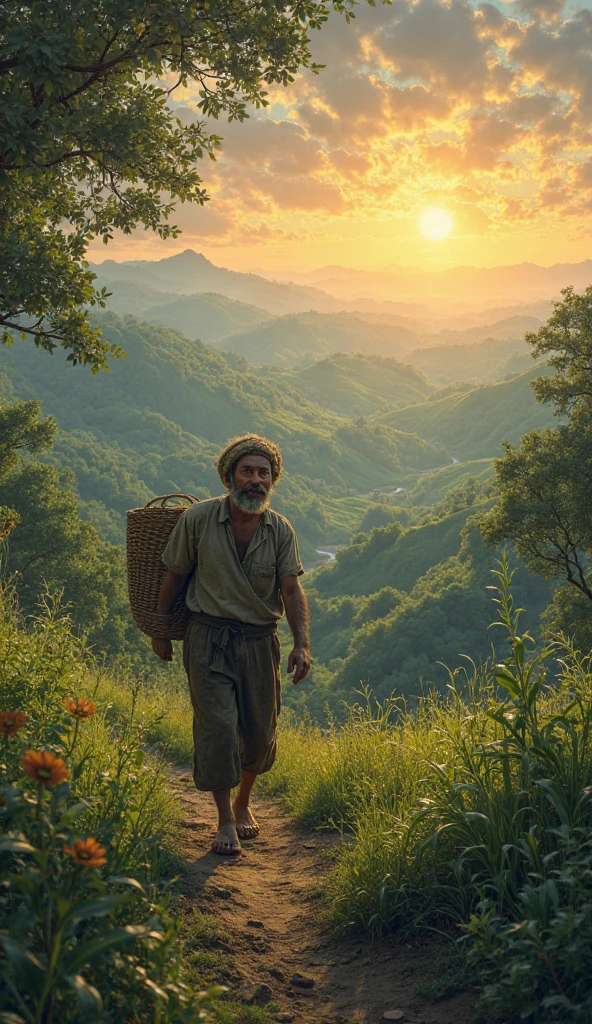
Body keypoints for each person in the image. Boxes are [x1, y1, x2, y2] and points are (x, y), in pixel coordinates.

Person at [151, 434, 311, 855]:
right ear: (229, 477)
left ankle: (243, 804)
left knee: (260, 733)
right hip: (208, 638)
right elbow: (174, 576)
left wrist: (301, 645)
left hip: (260, 643)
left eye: (264, 473)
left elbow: (291, 591)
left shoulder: (280, 530)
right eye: (247, 471)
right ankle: (224, 818)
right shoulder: (199, 520)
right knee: (218, 727)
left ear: (272, 481)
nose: (256, 480)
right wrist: (160, 628)